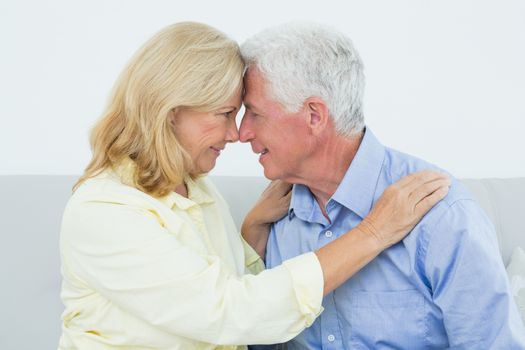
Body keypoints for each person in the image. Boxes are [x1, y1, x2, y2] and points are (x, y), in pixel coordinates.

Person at [58, 22, 450, 349]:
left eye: (244, 114)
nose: (236, 134)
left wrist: (248, 234)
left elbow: (215, 283)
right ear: (171, 112)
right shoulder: (104, 212)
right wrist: (373, 232)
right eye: (225, 114)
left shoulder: (195, 188)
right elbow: (231, 312)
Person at [239, 22, 525, 349]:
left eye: (254, 113)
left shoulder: (442, 215)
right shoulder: (273, 218)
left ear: (314, 116)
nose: (241, 132)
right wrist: (249, 239)